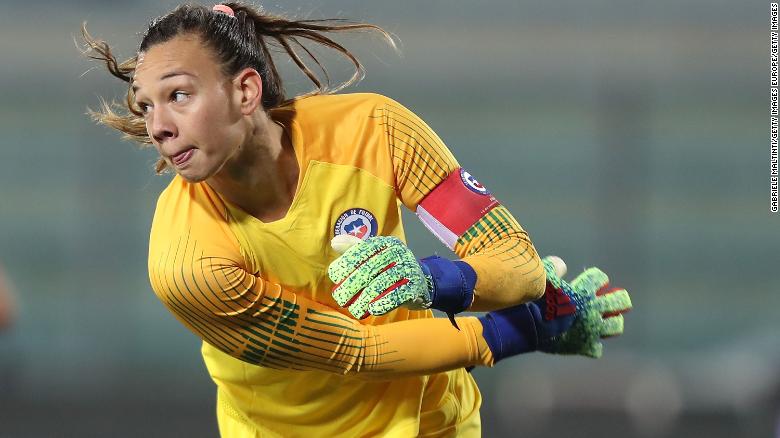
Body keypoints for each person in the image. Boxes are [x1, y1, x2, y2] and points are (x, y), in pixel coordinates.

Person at [82, 3, 632, 437]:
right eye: (146, 105)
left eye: (178, 95)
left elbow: (517, 263)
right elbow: (356, 351)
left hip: (435, 422)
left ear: (245, 90)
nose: (158, 125)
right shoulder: (187, 262)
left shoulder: (374, 129)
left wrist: (435, 281)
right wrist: (520, 330)